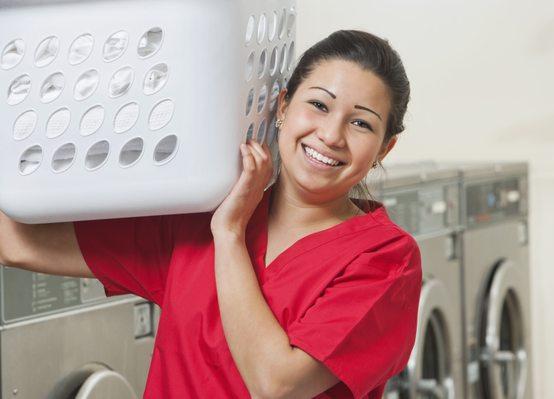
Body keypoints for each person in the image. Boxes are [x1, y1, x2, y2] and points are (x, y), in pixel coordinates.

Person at [0, 30, 421, 398]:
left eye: (361, 124)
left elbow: (277, 385)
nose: (331, 135)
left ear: (385, 148)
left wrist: (230, 234)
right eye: (319, 105)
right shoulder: (195, 214)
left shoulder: (385, 260)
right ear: (282, 106)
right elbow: (16, 243)